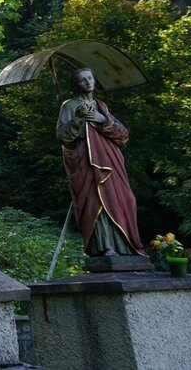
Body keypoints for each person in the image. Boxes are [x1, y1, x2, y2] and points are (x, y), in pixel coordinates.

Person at [56, 68, 145, 257]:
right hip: (87, 162)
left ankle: (126, 247)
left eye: (90, 78)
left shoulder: (101, 106)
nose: (88, 82)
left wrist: (103, 120)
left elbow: (123, 135)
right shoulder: (70, 105)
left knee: (125, 199)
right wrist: (78, 118)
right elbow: (63, 137)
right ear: (76, 84)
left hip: (110, 162)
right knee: (98, 202)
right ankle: (106, 247)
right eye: (82, 80)